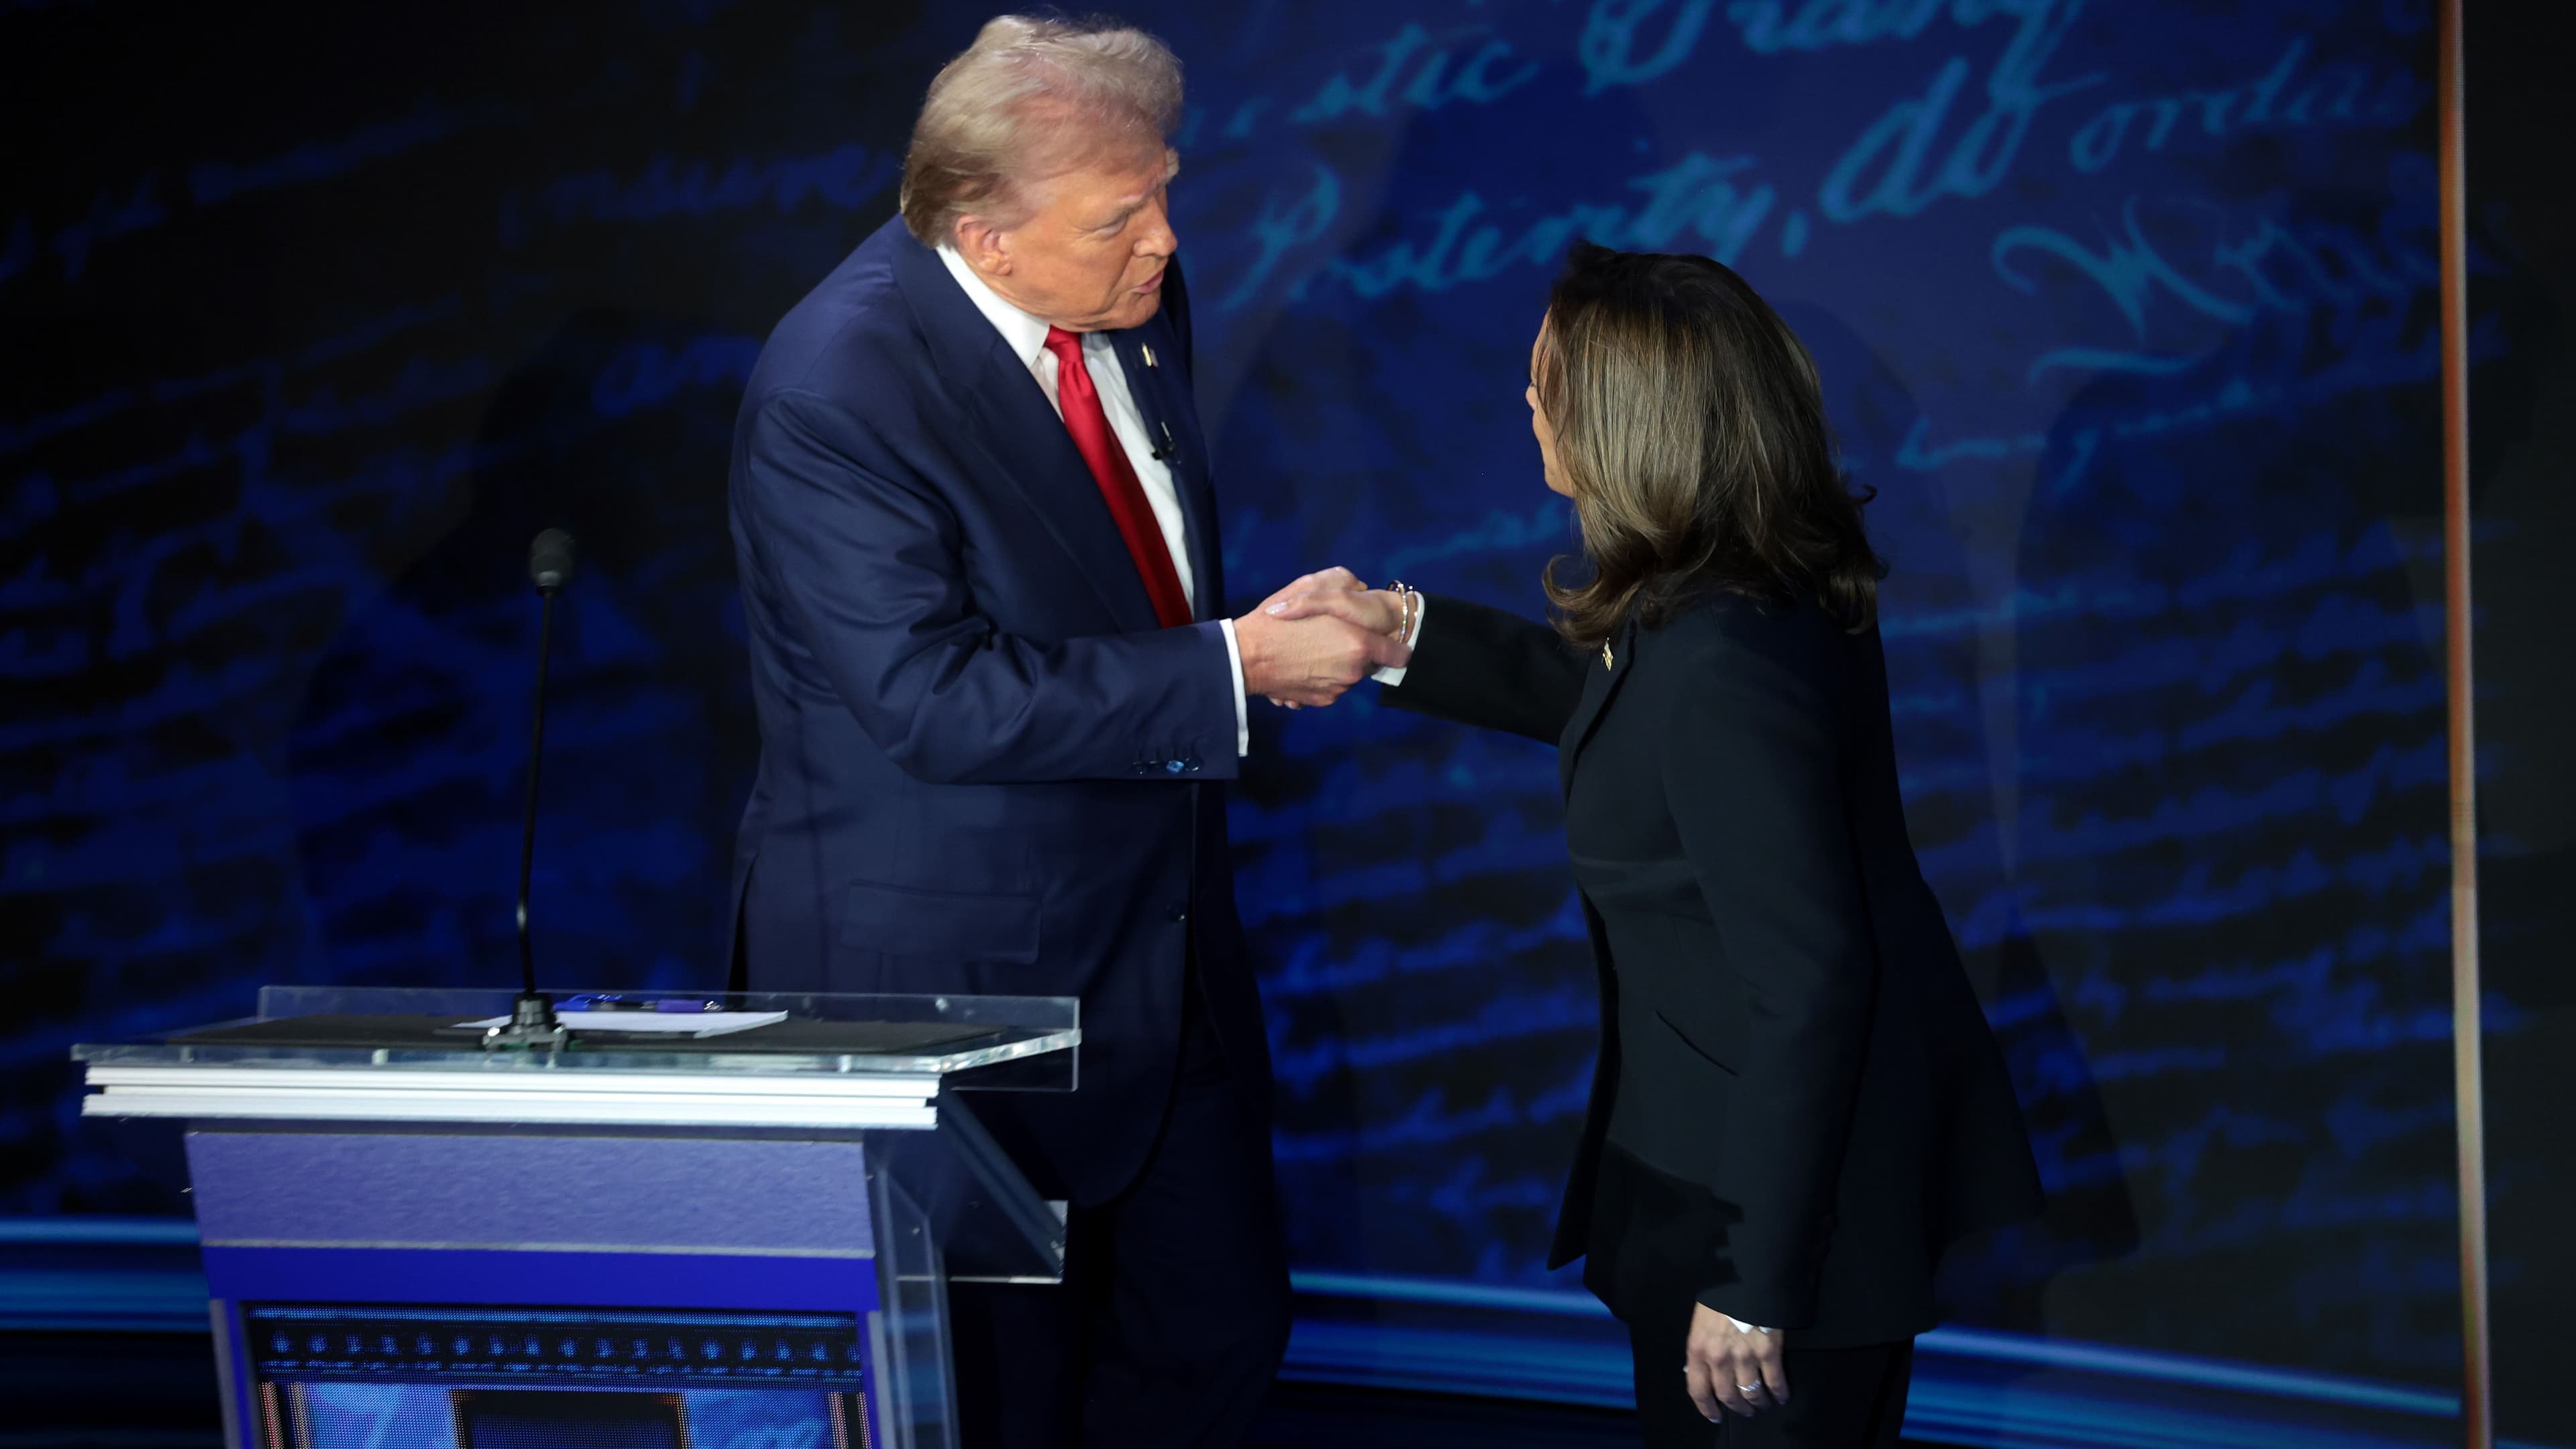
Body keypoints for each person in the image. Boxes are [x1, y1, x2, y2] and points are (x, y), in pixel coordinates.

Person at [724, 17, 1405, 1446]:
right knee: (1004, 1395)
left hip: (1161, 957)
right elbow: (929, 697)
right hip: (956, 998)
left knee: (1216, 1340)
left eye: (1164, 192)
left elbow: (1121, 568)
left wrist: (1229, 643)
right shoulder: (838, 386)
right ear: (983, 236)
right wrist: (1229, 669)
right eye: (1122, 216)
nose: (1163, 240)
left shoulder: (1128, 295)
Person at [1269, 244, 2045, 1447]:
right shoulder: (1728, 590)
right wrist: (1399, 633)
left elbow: (1809, 987)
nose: (1525, 401)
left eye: (1545, 380)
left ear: (1625, 421)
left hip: (1778, 1237)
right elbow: (1621, 705)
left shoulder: (1725, 658)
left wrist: (1752, 1279)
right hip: (1725, 1184)